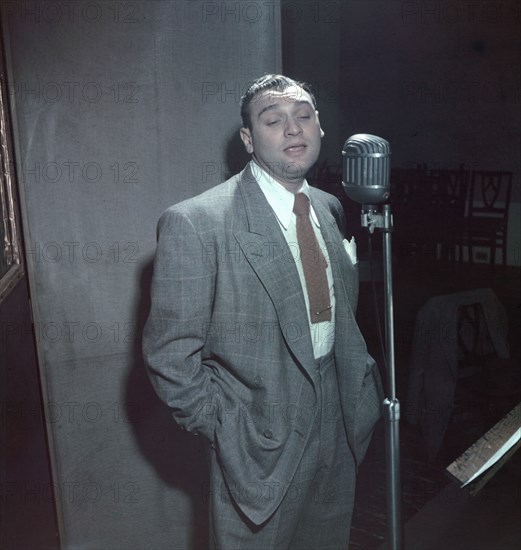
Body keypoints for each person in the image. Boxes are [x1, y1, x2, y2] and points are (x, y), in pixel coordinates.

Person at [142, 74, 383, 549]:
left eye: (304, 117)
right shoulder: (197, 223)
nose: (294, 130)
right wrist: (225, 428)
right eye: (274, 121)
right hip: (257, 440)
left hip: (340, 426)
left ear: (321, 130)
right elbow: (170, 357)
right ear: (250, 140)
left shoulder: (329, 208)